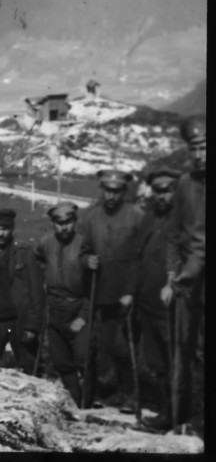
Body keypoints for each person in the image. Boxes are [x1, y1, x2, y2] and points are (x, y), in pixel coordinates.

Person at [79, 169, 144, 410]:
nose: (111, 196)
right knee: (106, 345)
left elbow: (142, 257)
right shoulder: (91, 217)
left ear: (124, 192)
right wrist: (87, 261)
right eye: (108, 190)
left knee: (125, 346)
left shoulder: (137, 216)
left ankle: (132, 395)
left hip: (129, 295)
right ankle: (112, 391)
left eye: (116, 191)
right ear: (102, 190)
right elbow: (83, 251)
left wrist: (131, 291)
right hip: (103, 293)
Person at [160, 115, 205, 429]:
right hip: (188, 285)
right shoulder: (185, 184)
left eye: (205, 147)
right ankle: (181, 418)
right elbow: (174, 235)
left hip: (200, 277)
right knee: (183, 352)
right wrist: (171, 275)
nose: (200, 155)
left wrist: (188, 270)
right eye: (194, 149)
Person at [35, 202, 94, 407]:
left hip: (77, 308)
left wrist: (84, 316)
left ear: (74, 222)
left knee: (83, 358)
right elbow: (39, 263)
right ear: (53, 224)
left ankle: (88, 401)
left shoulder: (84, 244)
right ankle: (75, 402)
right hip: (54, 309)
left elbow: (93, 286)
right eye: (59, 223)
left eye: (68, 222)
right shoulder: (45, 244)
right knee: (61, 361)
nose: (64, 227)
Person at [134, 168, 180, 430]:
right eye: (158, 191)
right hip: (148, 304)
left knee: (178, 363)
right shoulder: (148, 220)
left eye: (168, 190)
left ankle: (184, 416)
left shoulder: (189, 220)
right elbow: (136, 257)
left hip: (176, 307)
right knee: (159, 364)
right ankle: (167, 414)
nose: (162, 195)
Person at [0, 208, 44, 372]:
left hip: (20, 320)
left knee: (30, 366)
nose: (1, 234)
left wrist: (32, 326)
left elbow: (37, 292)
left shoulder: (24, 252)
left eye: (5, 229)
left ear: (12, 229)